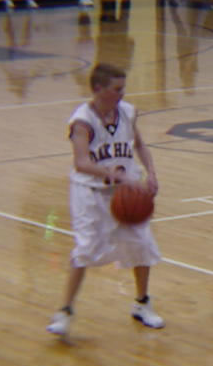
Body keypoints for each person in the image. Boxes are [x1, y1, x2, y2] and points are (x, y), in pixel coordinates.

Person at [47, 63, 163, 337]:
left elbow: (139, 144)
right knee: (86, 249)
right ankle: (65, 311)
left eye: (123, 88)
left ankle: (142, 303)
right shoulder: (82, 121)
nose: (122, 94)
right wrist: (118, 176)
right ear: (98, 89)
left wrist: (151, 173)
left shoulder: (127, 112)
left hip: (124, 190)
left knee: (142, 244)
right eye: (117, 89)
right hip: (89, 192)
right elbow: (81, 163)